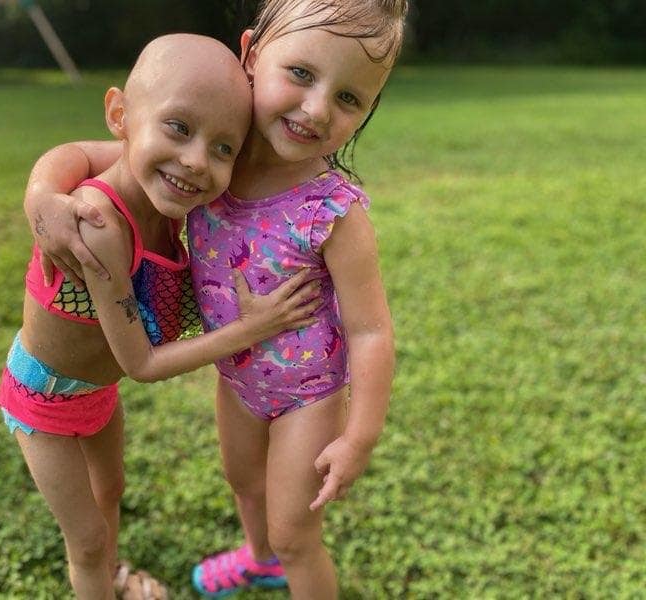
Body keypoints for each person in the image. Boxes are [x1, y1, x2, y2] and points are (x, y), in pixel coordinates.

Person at [24, 1, 405, 597]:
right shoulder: (212, 155)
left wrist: (359, 436)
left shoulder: (331, 211)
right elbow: (96, 151)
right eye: (301, 73)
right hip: (237, 379)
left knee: (296, 534)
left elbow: (371, 330)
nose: (315, 109)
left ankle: (281, 557)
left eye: (349, 98)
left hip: (307, 393)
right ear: (251, 55)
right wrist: (41, 193)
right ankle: (258, 560)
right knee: (245, 484)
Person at [0, 33, 323, 600]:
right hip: (43, 399)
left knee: (110, 491)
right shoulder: (100, 225)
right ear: (120, 116)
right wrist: (252, 328)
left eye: (223, 148)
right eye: (178, 127)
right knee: (87, 540)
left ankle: (110, 579)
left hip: (96, 392)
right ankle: (99, 576)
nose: (196, 160)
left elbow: (83, 151)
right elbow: (142, 363)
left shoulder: (162, 188)